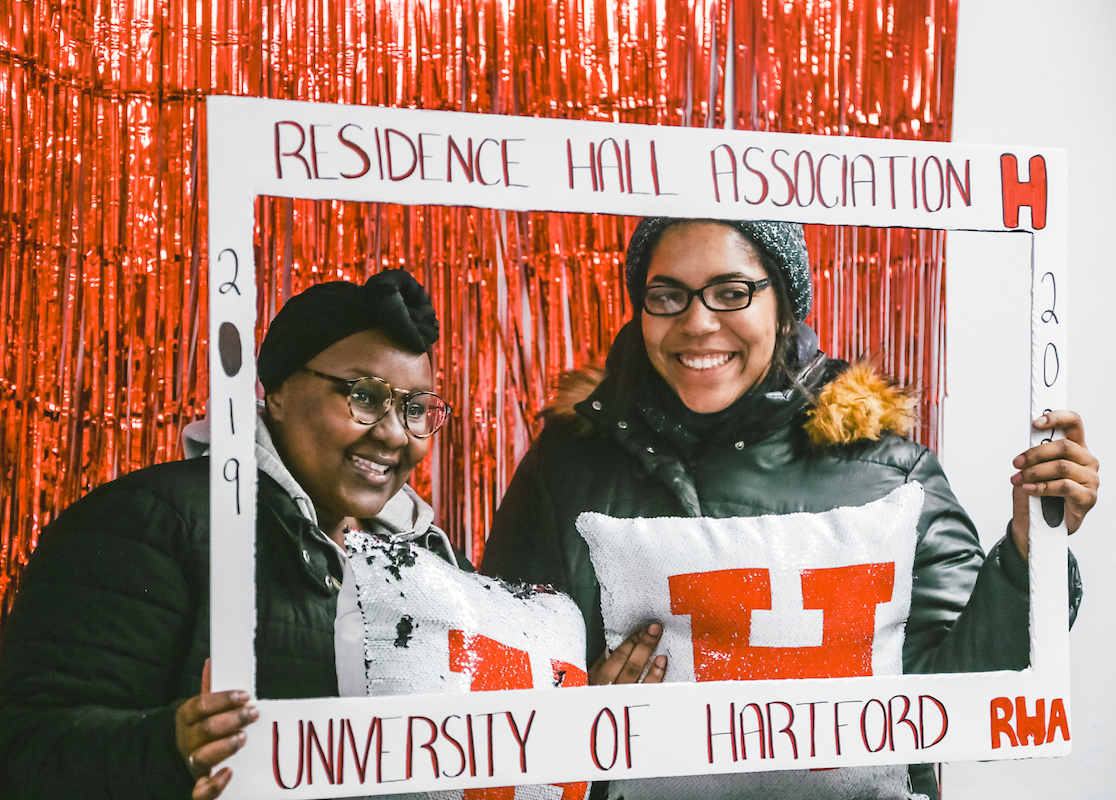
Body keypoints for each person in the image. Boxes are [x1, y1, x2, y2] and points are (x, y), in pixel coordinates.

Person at [480, 218, 1098, 799]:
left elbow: (968, 699)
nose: (696, 323)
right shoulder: (569, 468)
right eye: (666, 294)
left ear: (783, 305)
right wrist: (576, 715)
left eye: (730, 291)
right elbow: (489, 690)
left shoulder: (887, 475)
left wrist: (1030, 549)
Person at [0, 269, 458, 800]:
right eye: (364, 396)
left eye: (415, 408)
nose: (393, 432)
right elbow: (24, 751)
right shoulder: (152, 523)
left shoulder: (437, 564)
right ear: (278, 391)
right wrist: (172, 750)